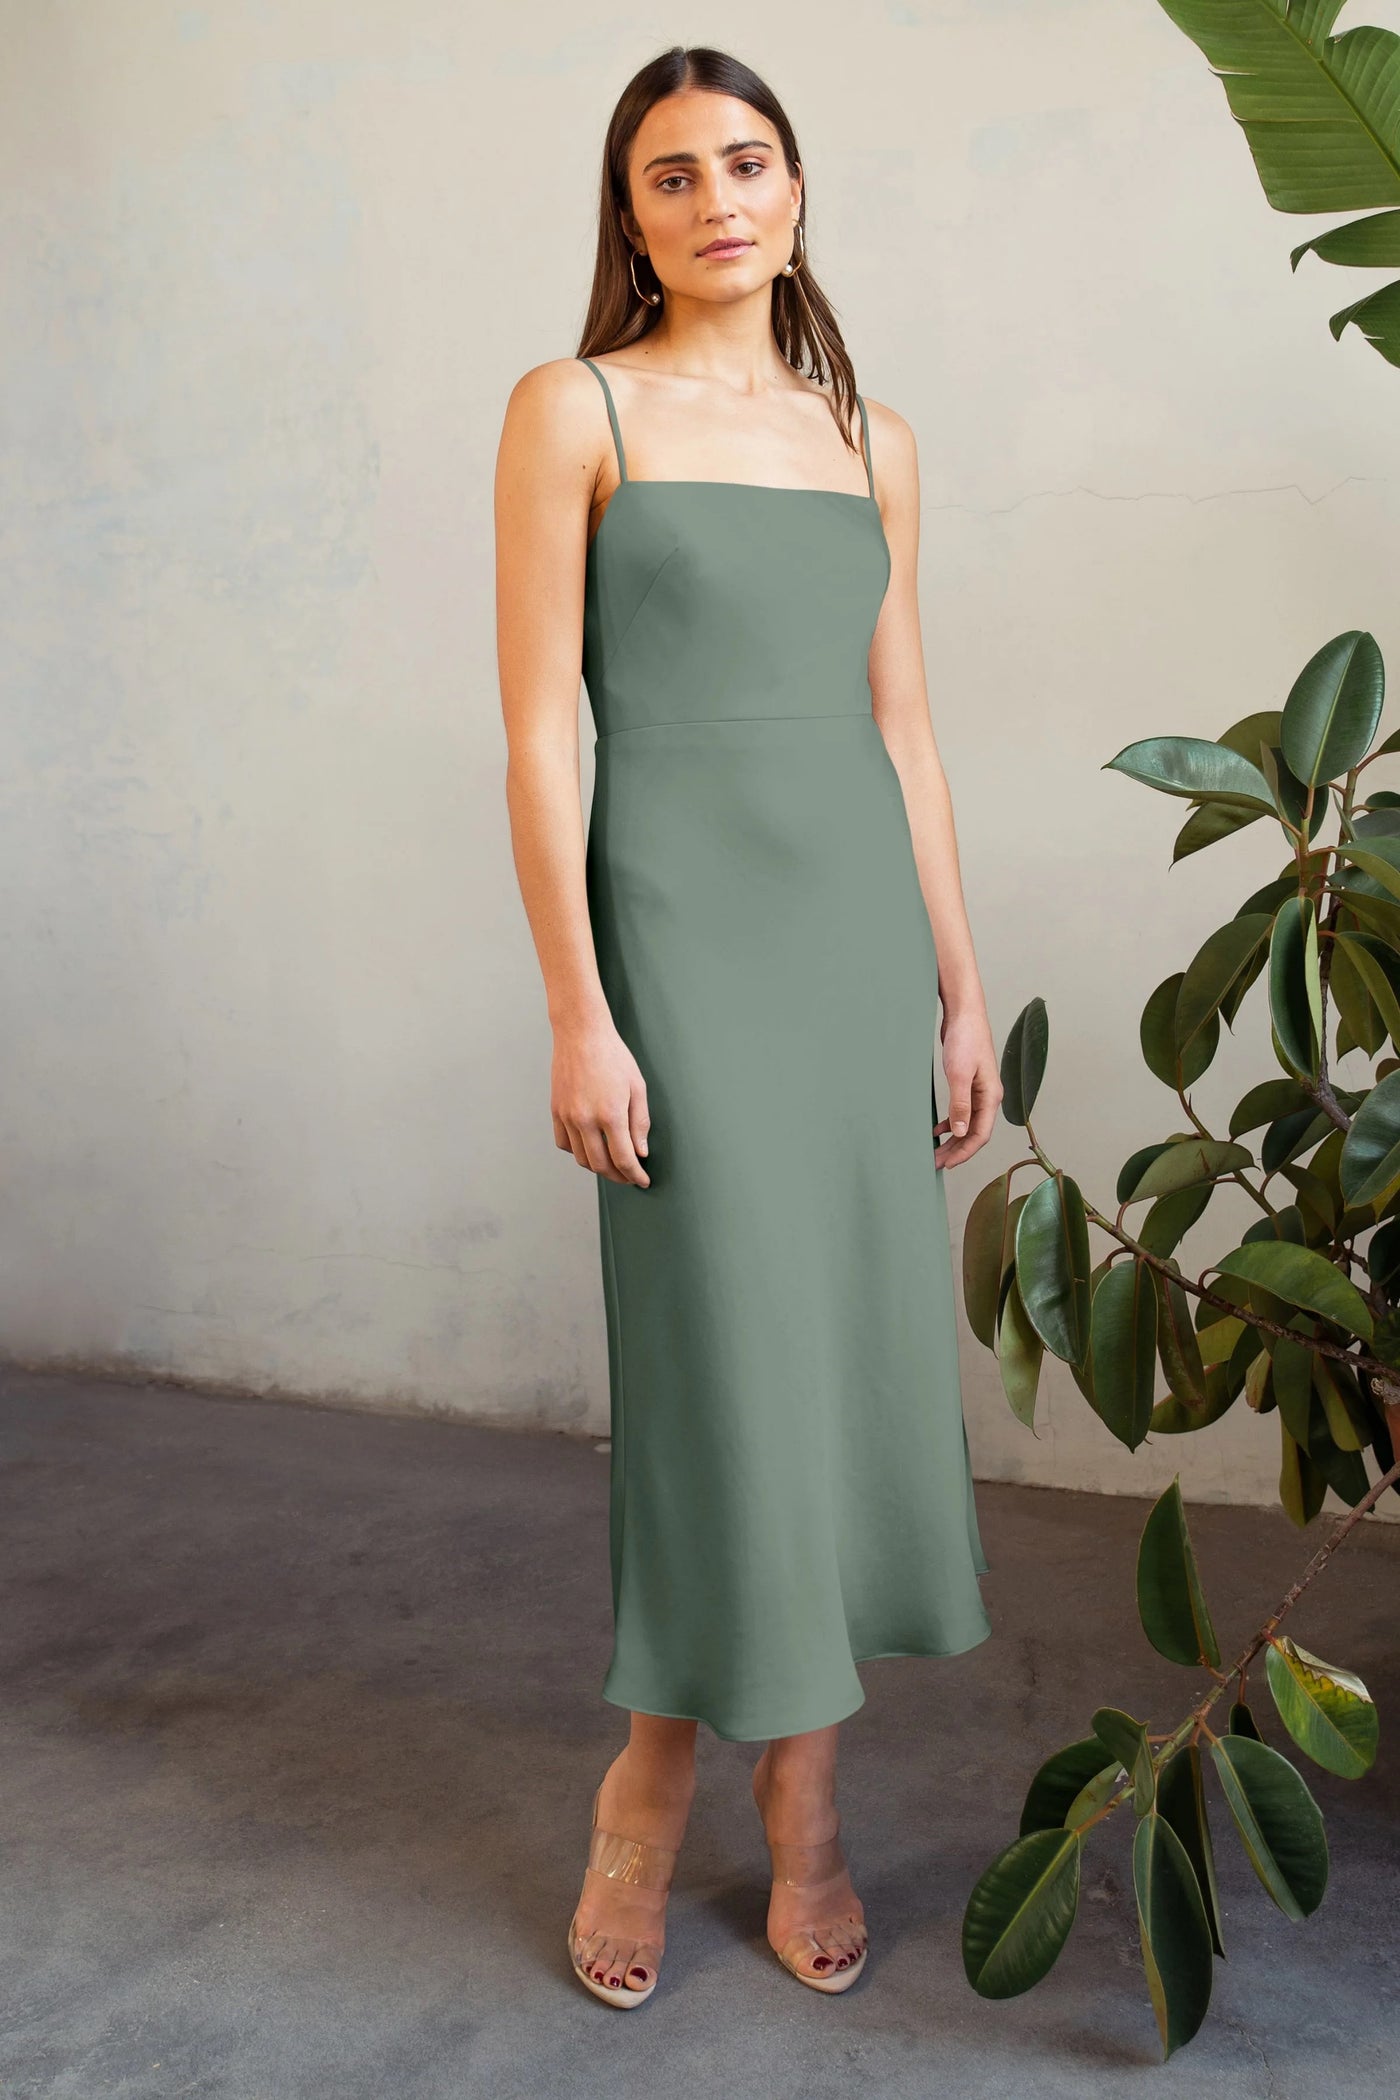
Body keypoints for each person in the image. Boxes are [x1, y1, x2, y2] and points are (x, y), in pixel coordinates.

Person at [495, 43, 1002, 2008]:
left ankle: (806, 1800)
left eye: (749, 162)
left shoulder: (870, 433)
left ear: (796, 188)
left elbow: (904, 723)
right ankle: (646, 1783)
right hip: (678, 941)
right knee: (719, 1375)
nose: (718, 199)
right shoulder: (574, 408)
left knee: (843, 1367)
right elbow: (544, 725)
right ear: (628, 219)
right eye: (672, 176)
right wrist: (576, 1008)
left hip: (851, 944)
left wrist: (960, 983)